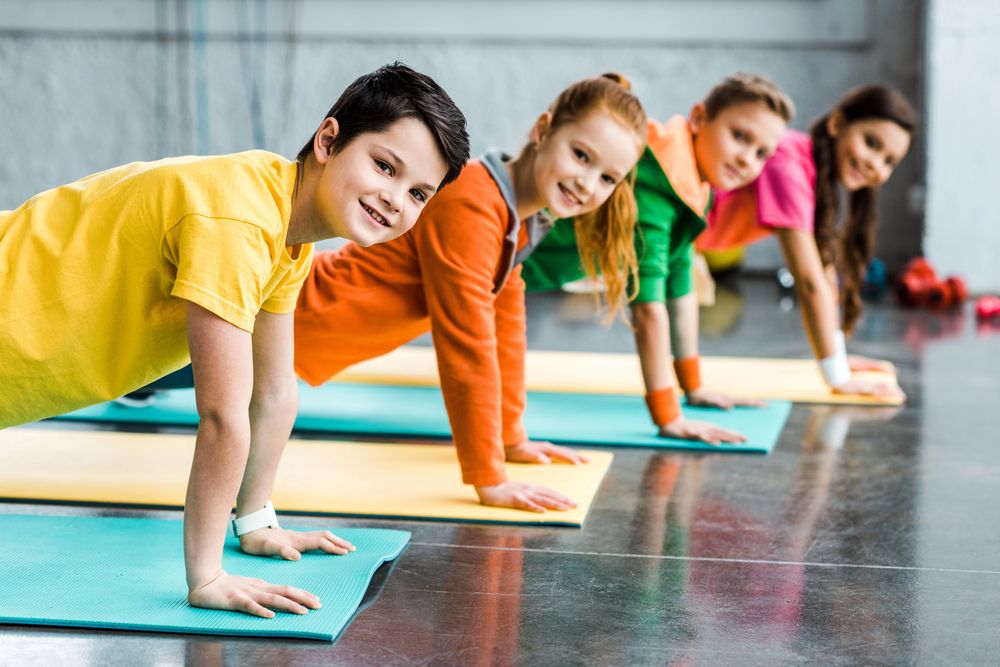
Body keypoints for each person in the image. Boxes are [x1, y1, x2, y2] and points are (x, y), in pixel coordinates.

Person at [0, 63, 470, 617]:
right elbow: (223, 414)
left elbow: (272, 392)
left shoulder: (285, 231)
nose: (394, 198)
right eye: (384, 166)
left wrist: (255, 521)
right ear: (328, 140)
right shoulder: (241, 220)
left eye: (418, 192)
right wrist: (207, 576)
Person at [294, 73, 647, 513]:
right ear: (542, 130)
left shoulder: (517, 217)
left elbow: (506, 330)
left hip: (295, 338)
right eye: (580, 155)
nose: (586, 183)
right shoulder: (473, 203)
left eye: (608, 178)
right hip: (284, 322)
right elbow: (467, 345)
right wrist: (489, 478)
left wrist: (512, 438)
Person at [523, 73, 792, 442]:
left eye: (762, 153)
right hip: (504, 265)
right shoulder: (655, 183)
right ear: (699, 118)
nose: (747, 159)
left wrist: (692, 386)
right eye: (740, 136)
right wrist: (669, 417)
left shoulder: (693, 187)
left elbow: (679, 283)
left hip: (513, 276)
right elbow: (648, 308)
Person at [698, 85, 915, 399]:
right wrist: (837, 378)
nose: (875, 164)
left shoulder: (810, 170)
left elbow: (822, 273)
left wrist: (837, 357)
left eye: (889, 161)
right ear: (838, 124)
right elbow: (809, 282)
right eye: (871, 143)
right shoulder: (786, 162)